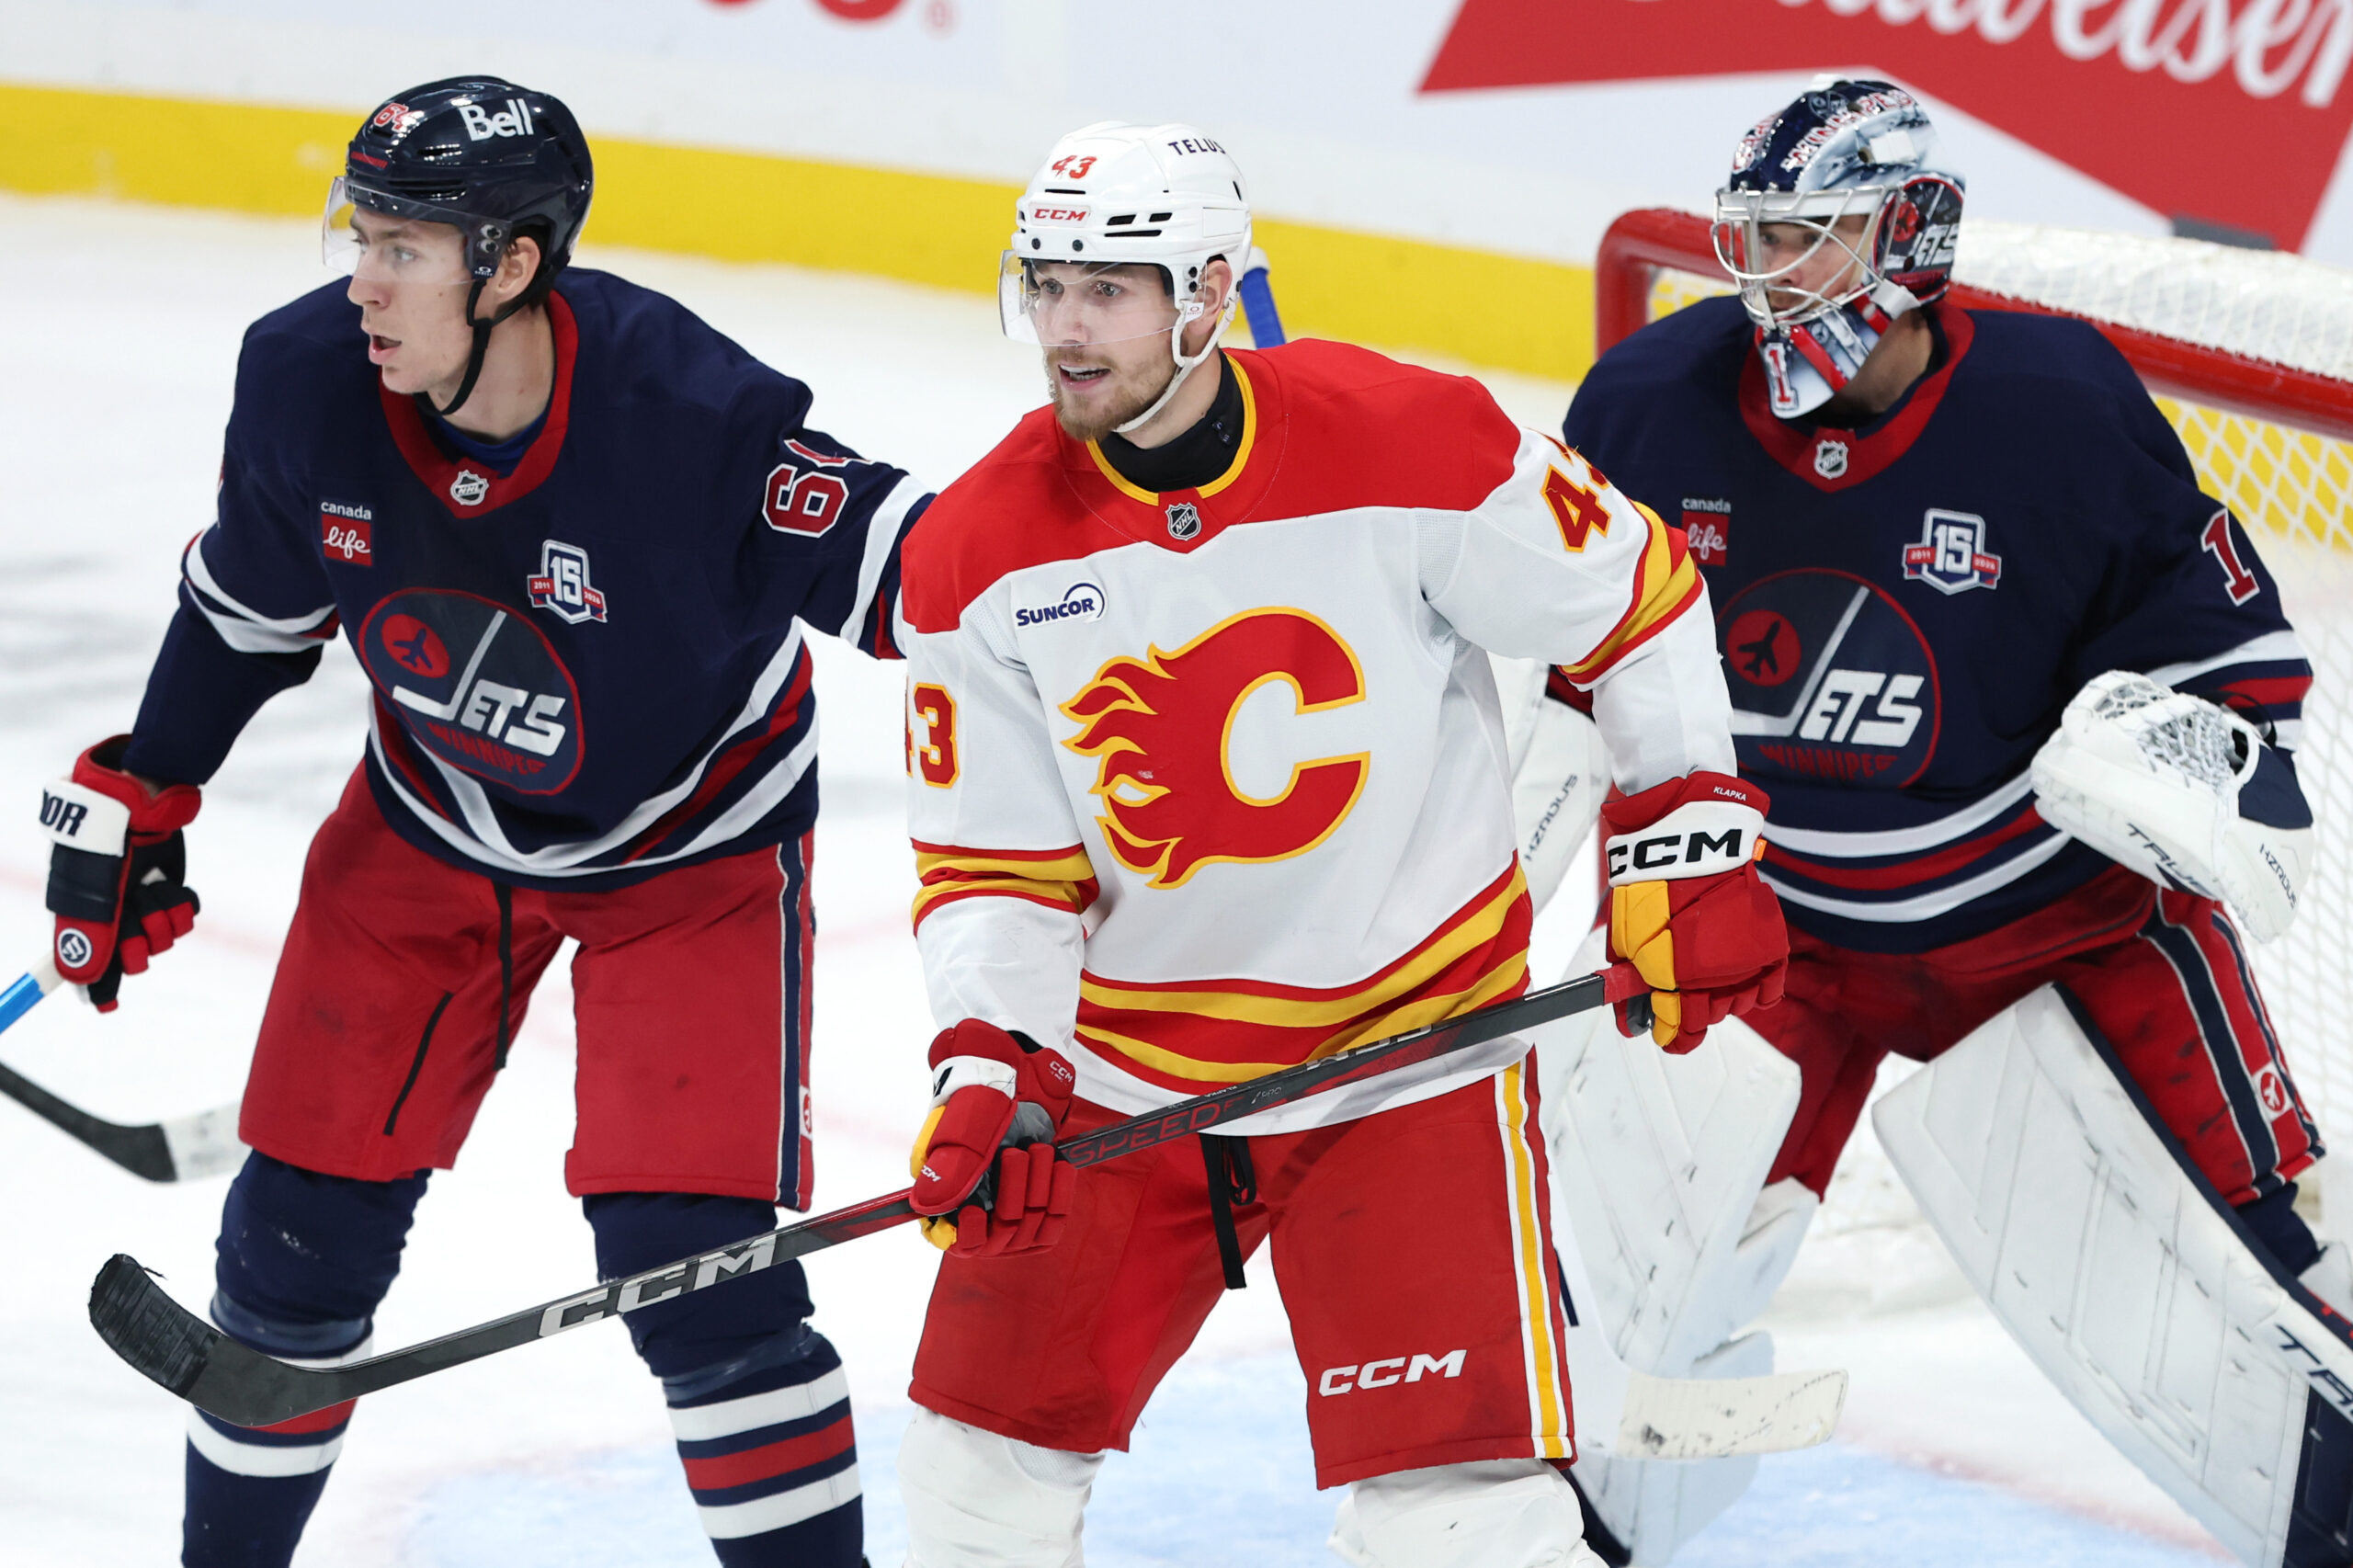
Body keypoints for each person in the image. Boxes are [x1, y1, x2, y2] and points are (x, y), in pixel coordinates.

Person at [35, 77, 923, 1568]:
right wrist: (150, 780)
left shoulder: (685, 412)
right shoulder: (306, 377)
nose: (363, 283)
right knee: (289, 1254)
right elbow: (252, 611)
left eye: (406, 249)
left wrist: (1153, 566)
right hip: (427, 825)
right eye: (359, 237)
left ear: (512, 265)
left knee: (696, 1279)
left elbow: (918, 571)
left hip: (689, 850)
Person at [883, 119, 1789, 1568]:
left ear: (1206, 293)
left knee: (1462, 1522)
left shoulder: (1413, 438)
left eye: (1105, 288)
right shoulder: (972, 552)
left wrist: (1687, 823)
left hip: (1412, 1051)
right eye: (1043, 283)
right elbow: (996, 867)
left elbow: (1634, 595)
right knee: (972, 1487)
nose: (1061, 326)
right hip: (1128, 1078)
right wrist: (990, 1056)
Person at [1528, 78, 2333, 1560]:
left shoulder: (2060, 409)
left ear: (1911, 235)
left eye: (1816, 241)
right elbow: (1555, 674)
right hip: (1777, 932)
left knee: (2259, 1287)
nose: (1772, 280)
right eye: (1758, 239)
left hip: (2058, 929)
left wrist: (2178, 763)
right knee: (1618, 1287)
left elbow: (2235, 670)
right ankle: (1592, 1528)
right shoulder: (1649, 407)